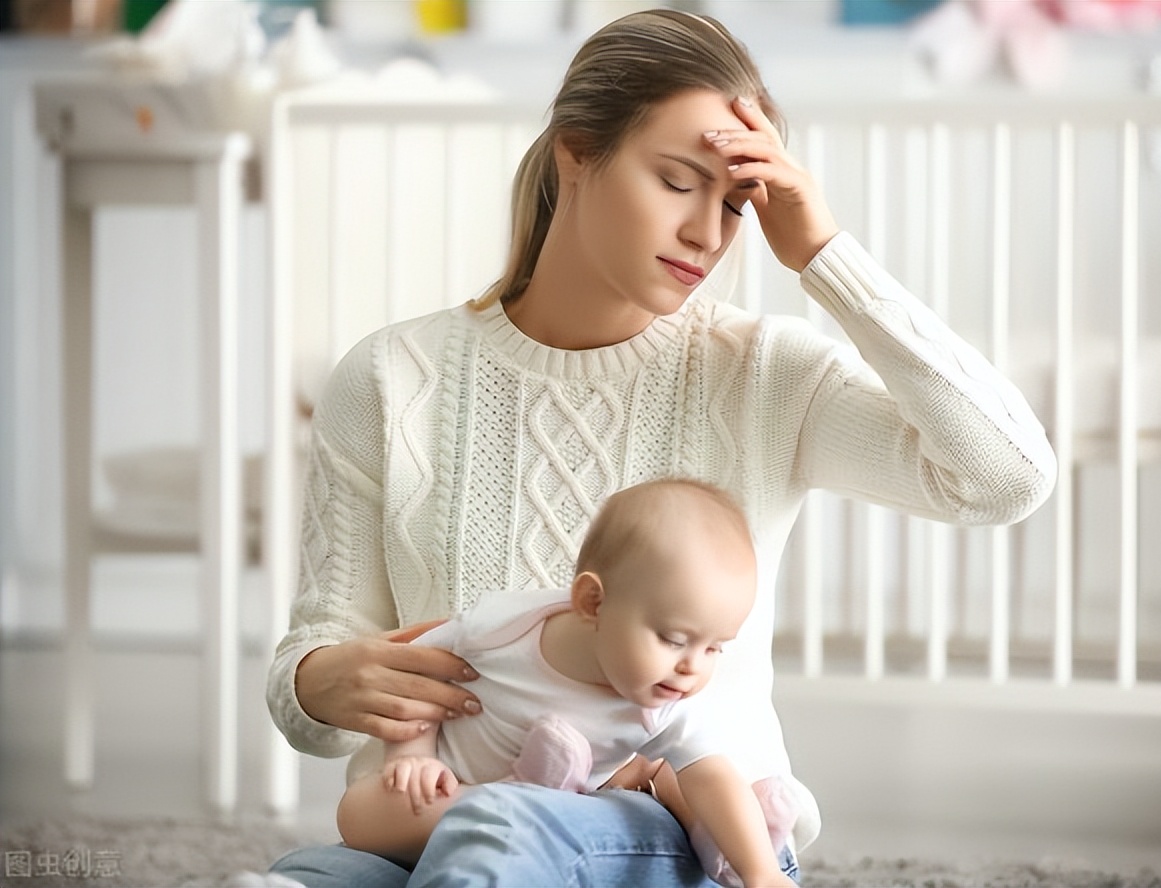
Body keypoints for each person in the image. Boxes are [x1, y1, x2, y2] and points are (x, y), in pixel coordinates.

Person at [266, 8, 1057, 888]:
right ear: (577, 150)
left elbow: (1005, 477)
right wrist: (320, 683)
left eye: (734, 202)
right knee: (305, 880)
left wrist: (826, 256)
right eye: (678, 181)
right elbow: (318, 676)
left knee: (500, 841)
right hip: (427, 828)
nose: (709, 235)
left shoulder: (764, 374)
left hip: (684, 833)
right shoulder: (389, 378)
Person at [335, 478, 799, 888]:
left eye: (715, 647)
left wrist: (763, 873)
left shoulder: (666, 702)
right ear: (593, 602)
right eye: (674, 639)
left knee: (518, 821)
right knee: (357, 816)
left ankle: (731, 843)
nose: (692, 667)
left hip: (540, 823)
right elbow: (413, 669)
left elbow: (712, 776)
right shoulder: (503, 627)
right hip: (446, 795)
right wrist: (413, 758)